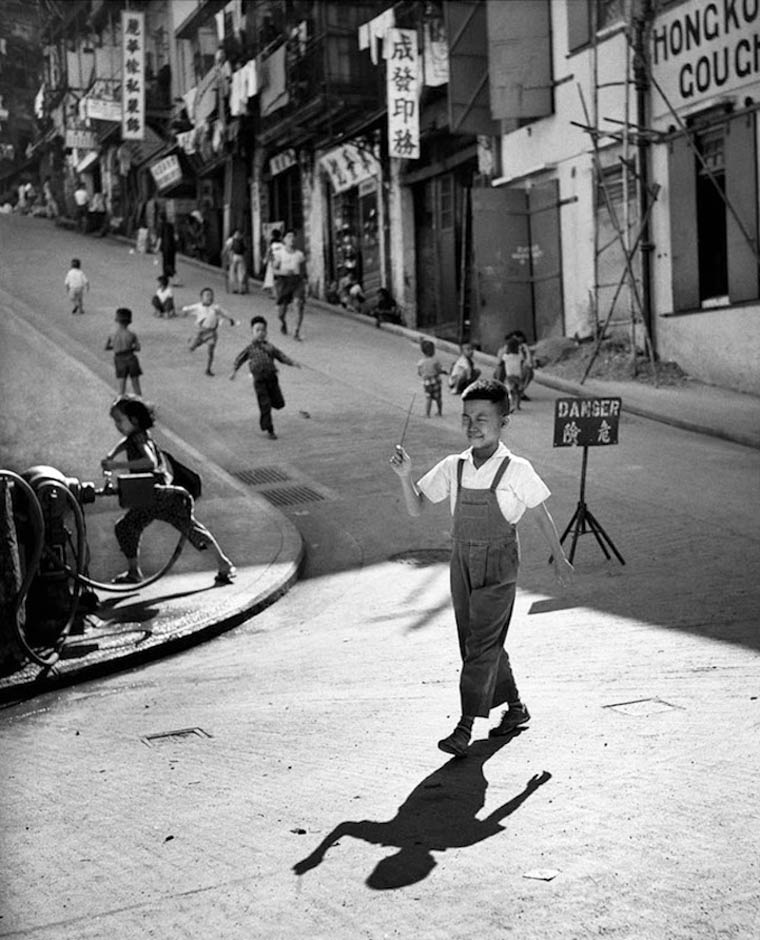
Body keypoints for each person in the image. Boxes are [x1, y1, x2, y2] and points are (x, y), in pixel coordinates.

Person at [389, 378, 574, 757]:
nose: (473, 426)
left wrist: (559, 556)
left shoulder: (516, 469)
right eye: (467, 417)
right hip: (461, 560)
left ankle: (465, 726)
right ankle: (515, 707)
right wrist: (406, 476)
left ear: (503, 422)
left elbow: (540, 515)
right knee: (476, 641)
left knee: (481, 643)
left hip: (500, 561)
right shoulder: (453, 466)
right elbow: (416, 507)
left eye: (482, 418)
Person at [101, 395, 235, 586]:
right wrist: (111, 454)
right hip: (153, 495)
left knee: (132, 527)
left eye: (119, 420)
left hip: (158, 494)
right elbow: (125, 442)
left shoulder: (139, 438)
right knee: (133, 527)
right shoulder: (137, 435)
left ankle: (134, 571)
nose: (117, 425)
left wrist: (116, 464)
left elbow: (149, 462)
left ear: (134, 420)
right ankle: (223, 563)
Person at [230, 315, 301, 440]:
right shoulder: (250, 348)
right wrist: (234, 371)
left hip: (272, 377)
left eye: (263, 330)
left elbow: (281, 356)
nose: (260, 333)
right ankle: (269, 429)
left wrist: (292, 363)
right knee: (265, 404)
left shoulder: (270, 347)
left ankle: (271, 403)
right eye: (257, 330)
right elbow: (240, 359)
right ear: (252, 332)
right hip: (259, 379)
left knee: (279, 404)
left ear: (266, 332)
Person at [182, 287, 237, 377]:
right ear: (201, 298)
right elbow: (187, 309)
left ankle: (208, 369)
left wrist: (230, 320)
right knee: (191, 347)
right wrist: (184, 312)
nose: (210, 297)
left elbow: (224, 313)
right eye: (207, 295)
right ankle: (192, 341)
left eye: (211, 295)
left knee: (210, 351)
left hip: (212, 333)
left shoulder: (216, 308)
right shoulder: (198, 306)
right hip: (200, 332)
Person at [273, 229, 307, 339]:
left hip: (297, 282)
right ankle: (283, 322)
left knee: (298, 304)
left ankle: (296, 331)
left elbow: (304, 271)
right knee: (281, 313)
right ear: (284, 239)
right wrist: (283, 272)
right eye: (288, 236)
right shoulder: (279, 253)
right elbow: (274, 270)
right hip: (284, 282)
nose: (291, 239)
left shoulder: (300, 255)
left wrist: (305, 282)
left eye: (293, 237)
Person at [105, 307, 142, 396]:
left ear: (116, 320)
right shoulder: (132, 335)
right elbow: (138, 348)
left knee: (121, 387)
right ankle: (139, 402)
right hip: (131, 358)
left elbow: (106, 347)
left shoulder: (112, 334)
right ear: (129, 321)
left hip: (119, 359)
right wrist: (129, 348)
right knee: (136, 385)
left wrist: (116, 347)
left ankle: (120, 402)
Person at [417, 338, 447, 417]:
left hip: (427, 382)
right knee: (438, 397)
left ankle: (427, 414)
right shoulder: (435, 361)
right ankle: (439, 412)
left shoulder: (420, 363)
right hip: (436, 380)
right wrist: (443, 372)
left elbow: (419, 373)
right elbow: (439, 370)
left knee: (428, 398)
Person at [499, 336, 524, 413]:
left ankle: (510, 405)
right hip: (518, 376)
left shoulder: (506, 357)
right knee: (518, 392)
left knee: (510, 391)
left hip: (509, 376)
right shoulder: (519, 356)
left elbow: (500, 362)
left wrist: (503, 350)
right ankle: (517, 406)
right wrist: (521, 350)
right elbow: (522, 361)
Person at [225, 228, 247, 294]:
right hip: (241, 257)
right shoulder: (242, 239)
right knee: (241, 273)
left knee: (232, 273)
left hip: (233, 257)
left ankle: (235, 288)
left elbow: (226, 249)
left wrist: (225, 256)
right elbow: (245, 249)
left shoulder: (231, 239)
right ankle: (241, 289)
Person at [262, 228, 282, 296]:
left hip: (272, 262)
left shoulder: (271, 244)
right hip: (281, 262)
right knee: (279, 277)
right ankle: (278, 293)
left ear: (273, 235)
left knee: (272, 278)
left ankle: (275, 294)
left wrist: (265, 261)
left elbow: (269, 253)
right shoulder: (282, 244)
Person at [159, 214, 177, 282]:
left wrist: (156, 248)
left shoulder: (162, 226)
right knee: (171, 262)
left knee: (166, 263)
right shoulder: (171, 225)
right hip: (172, 247)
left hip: (165, 247)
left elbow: (160, 238)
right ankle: (171, 276)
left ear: (160, 219)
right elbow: (176, 237)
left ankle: (167, 277)